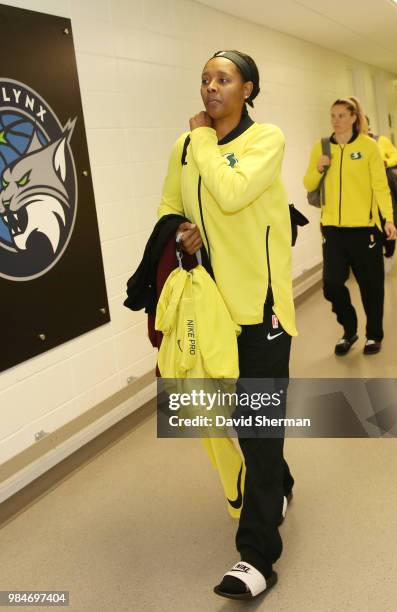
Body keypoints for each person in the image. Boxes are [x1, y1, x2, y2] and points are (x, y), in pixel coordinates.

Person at [157, 50, 297, 600]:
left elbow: (234, 192)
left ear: (248, 89)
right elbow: (170, 207)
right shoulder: (184, 149)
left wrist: (201, 142)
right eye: (204, 80)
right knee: (236, 423)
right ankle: (278, 484)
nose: (210, 88)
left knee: (260, 430)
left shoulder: (266, 140)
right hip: (209, 315)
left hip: (261, 314)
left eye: (223, 79)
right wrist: (182, 232)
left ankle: (257, 555)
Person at [304, 97, 397, 356]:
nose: (336, 120)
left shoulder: (368, 147)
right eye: (333, 115)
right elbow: (309, 184)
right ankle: (350, 328)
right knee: (332, 285)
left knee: (371, 285)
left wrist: (387, 219)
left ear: (354, 117)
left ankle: (374, 335)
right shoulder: (321, 147)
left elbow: (380, 186)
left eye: (342, 115)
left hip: (364, 228)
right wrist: (319, 168)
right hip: (332, 229)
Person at [366, 116, 397, 273]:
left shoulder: (380, 140)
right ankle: (374, 259)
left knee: (389, 223)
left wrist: (385, 162)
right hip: (365, 195)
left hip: (384, 189)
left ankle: (388, 255)